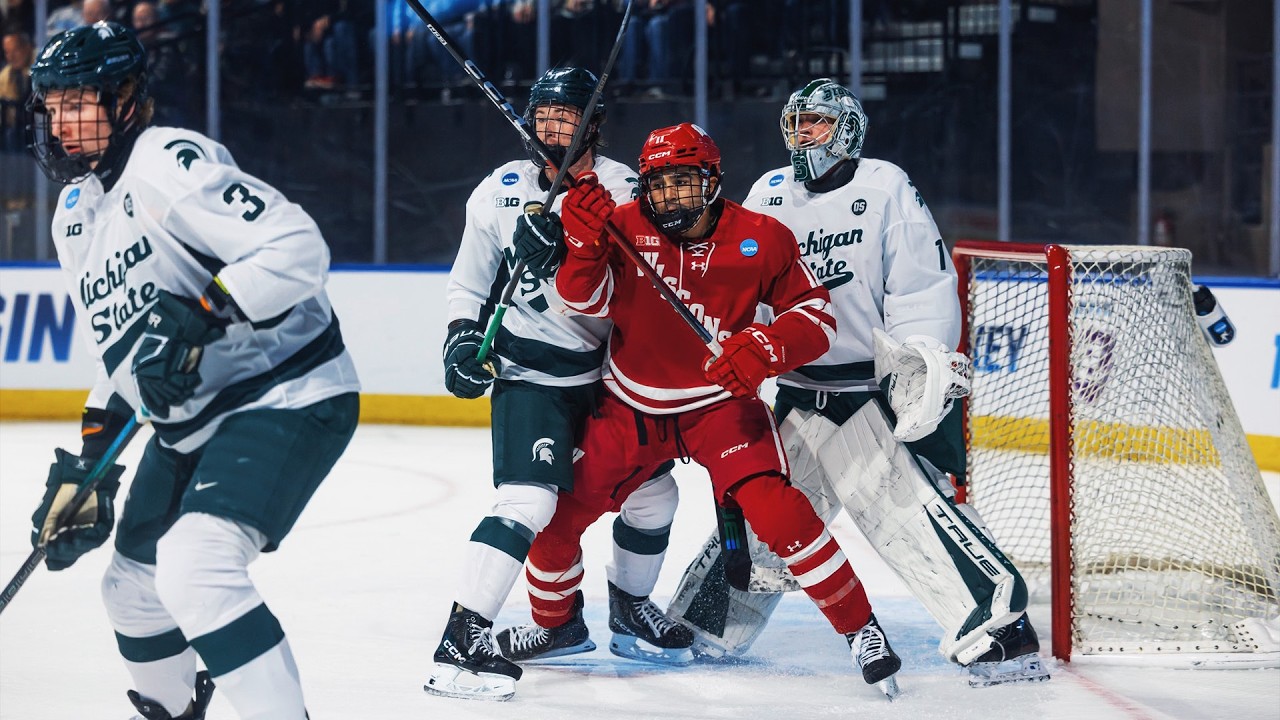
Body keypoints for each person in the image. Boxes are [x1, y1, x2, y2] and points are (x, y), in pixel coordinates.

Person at [497, 121, 905, 697]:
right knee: (555, 521)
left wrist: (765, 348)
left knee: (780, 512)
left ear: (713, 181)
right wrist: (583, 247)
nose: (671, 198)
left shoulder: (763, 237)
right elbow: (580, 300)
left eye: (684, 182)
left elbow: (815, 317)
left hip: (720, 409)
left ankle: (862, 629)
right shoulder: (622, 225)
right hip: (631, 407)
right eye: (659, 185)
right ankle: (556, 626)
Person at [668, 78, 1052, 688]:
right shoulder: (769, 192)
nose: (801, 135)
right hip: (792, 390)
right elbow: (741, 276)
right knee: (768, 509)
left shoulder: (884, 187)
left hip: (863, 393)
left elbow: (922, 285)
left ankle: (998, 628)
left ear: (847, 129)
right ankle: (706, 622)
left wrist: (919, 357)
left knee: (902, 512)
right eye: (794, 123)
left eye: (815, 123)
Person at [25, 21, 360, 718]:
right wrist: (91, 464)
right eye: (53, 107)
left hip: (284, 391)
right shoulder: (75, 217)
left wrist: (208, 311)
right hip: (194, 425)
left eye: (79, 102)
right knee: (131, 588)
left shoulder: (164, 162)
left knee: (196, 566)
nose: (62, 123)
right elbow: (117, 357)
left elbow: (298, 247)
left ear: (125, 98)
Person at [424, 66, 687, 703]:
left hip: (604, 380)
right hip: (530, 377)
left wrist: (576, 252)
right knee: (529, 502)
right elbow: (468, 283)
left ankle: (627, 612)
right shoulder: (500, 191)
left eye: (567, 116)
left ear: (593, 123)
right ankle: (462, 639)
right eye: (544, 115)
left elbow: (636, 296)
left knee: (655, 496)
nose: (553, 127)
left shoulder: (627, 190)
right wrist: (462, 339)